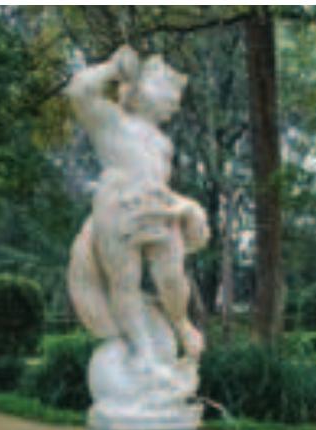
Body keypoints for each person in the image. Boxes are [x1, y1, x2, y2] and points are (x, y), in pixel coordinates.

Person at [67, 45, 209, 383]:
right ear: (142, 89)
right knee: (125, 280)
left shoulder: (163, 144)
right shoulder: (112, 122)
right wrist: (113, 68)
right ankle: (143, 352)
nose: (175, 103)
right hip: (118, 205)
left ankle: (181, 323)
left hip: (159, 208)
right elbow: (78, 91)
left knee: (172, 275)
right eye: (170, 93)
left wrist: (189, 208)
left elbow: (157, 181)